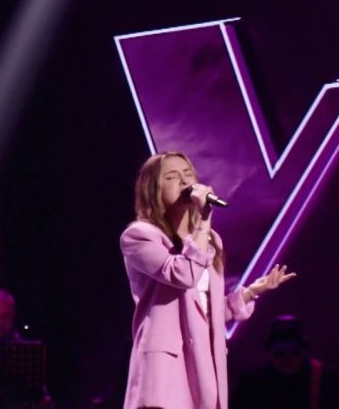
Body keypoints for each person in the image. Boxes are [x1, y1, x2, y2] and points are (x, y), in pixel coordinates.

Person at [121, 151, 296, 409]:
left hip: (203, 361)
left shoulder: (210, 239)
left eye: (188, 174)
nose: (184, 181)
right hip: (165, 367)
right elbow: (183, 274)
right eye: (172, 176)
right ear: (153, 189)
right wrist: (203, 221)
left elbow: (203, 313)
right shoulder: (139, 236)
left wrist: (250, 292)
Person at [234, 315, 339, 409]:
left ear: (304, 351)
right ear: (270, 353)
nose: (287, 358)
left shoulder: (325, 380)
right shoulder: (252, 383)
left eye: (294, 352)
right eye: (280, 353)